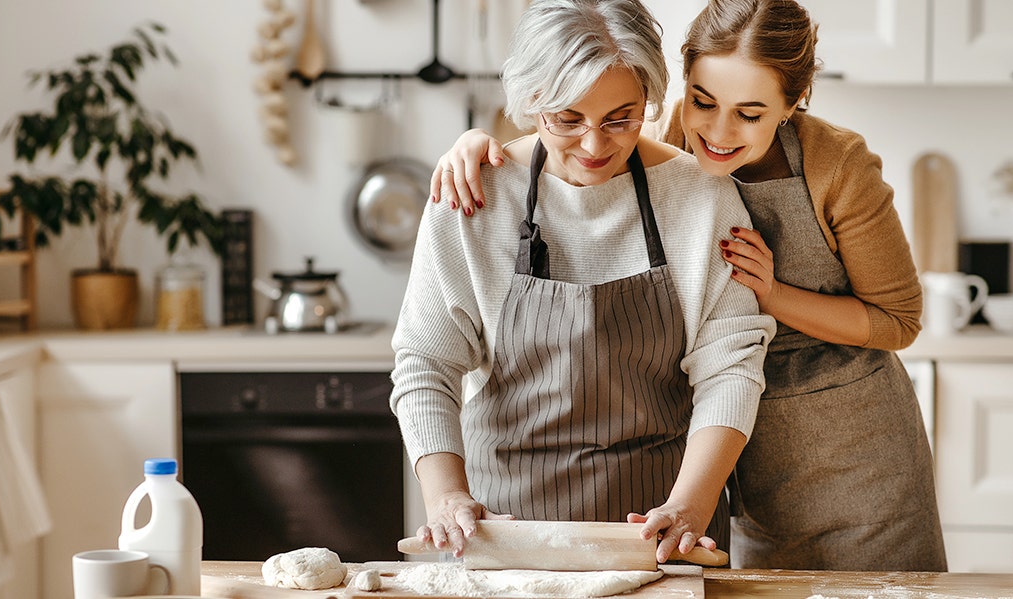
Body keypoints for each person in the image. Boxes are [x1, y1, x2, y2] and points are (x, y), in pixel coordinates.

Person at [426, 0, 947, 572]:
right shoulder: (667, 143)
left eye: (749, 113)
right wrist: (474, 142)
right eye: (704, 102)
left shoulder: (830, 167)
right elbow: (581, 120)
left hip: (848, 450)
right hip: (734, 456)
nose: (718, 133)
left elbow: (896, 321)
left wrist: (773, 295)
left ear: (793, 104)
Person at [390, 0, 774, 566]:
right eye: (567, 120)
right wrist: (446, 495)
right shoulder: (472, 196)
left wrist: (691, 506)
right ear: (531, 103)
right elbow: (426, 361)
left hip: (661, 533)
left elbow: (731, 366)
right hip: (505, 532)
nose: (595, 146)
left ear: (650, 99)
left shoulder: (702, 198)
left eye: (621, 117)